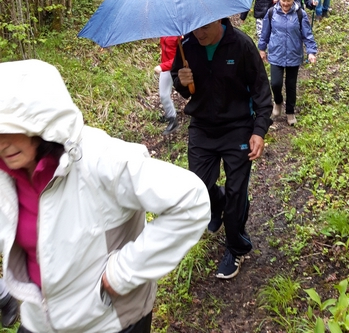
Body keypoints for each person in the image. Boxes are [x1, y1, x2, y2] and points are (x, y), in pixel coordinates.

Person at [0, 59, 210, 333]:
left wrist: (122, 274)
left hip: (107, 320)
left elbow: (190, 200)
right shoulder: (6, 175)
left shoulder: (99, 159)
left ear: (41, 118)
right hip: (40, 321)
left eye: (11, 127)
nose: (2, 142)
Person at [171, 19, 273, 280]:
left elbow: (262, 89)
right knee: (199, 187)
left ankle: (236, 246)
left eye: (205, 27)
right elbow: (182, 88)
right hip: (202, 128)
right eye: (195, 27)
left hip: (237, 127)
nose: (199, 32)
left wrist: (259, 130)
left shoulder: (240, 45)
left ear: (219, 20)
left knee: (237, 191)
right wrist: (181, 81)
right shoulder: (188, 46)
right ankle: (218, 205)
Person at [258, 0, 318, 126]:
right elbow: (265, 32)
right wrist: (262, 48)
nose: (286, 4)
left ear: (293, 0)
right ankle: (278, 103)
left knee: (291, 85)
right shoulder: (272, 12)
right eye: (283, 0)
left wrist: (311, 51)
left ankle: (290, 112)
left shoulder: (300, 14)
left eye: (289, 1)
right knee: (275, 83)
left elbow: (307, 34)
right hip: (276, 53)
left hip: (293, 53)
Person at [155, 36, 179, 135]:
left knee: (190, 90)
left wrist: (162, 66)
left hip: (176, 67)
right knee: (163, 94)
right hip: (166, 66)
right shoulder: (165, 31)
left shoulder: (179, 35)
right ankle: (171, 117)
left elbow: (180, 58)